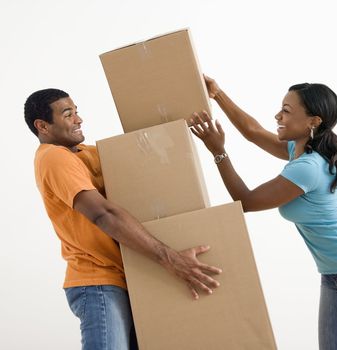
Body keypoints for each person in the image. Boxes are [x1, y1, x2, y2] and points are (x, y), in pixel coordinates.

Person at [190, 76, 337, 350]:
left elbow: (245, 201)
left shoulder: (308, 167)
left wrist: (218, 152)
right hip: (333, 276)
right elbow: (253, 131)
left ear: (313, 121)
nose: (278, 115)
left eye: (287, 111)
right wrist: (217, 94)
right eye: (281, 108)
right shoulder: (299, 150)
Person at [24, 88, 222, 350]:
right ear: (42, 125)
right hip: (98, 282)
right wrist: (171, 259)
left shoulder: (83, 153)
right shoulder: (54, 157)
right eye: (68, 114)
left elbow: (143, 156)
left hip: (131, 279)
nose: (79, 119)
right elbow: (103, 214)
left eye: (77, 111)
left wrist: (190, 129)